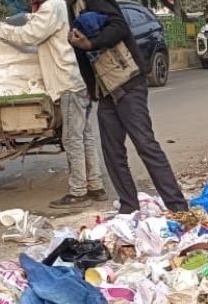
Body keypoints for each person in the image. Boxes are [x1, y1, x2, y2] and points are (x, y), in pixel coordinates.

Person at [66, 0, 188, 215]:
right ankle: (129, 207)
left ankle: (178, 208)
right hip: (105, 90)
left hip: (128, 82)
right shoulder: (72, 6)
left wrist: (91, 44)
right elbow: (81, 53)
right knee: (112, 153)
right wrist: (91, 87)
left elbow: (119, 26)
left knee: (145, 145)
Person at [0, 0, 105, 210]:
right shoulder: (56, 5)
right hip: (76, 82)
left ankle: (78, 192)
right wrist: (15, 20)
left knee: (73, 139)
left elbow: (28, 35)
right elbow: (35, 25)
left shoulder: (51, 6)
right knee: (84, 137)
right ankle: (96, 186)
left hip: (68, 84)